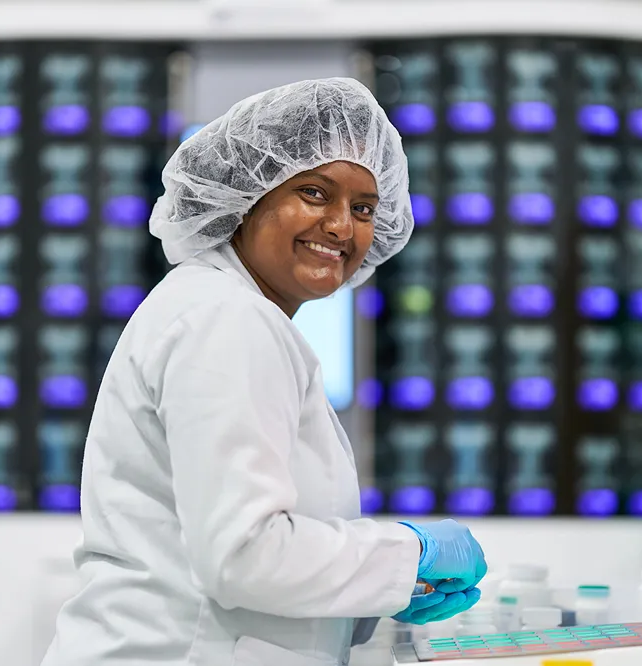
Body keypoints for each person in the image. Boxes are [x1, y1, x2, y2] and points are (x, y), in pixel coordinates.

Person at [42, 78, 487, 666]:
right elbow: (244, 557)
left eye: (363, 208)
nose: (340, 226)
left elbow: (234, 549)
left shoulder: (228, 314)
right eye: (314, 192)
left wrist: (388, 586)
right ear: (244, 195)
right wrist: (409, 551)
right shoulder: (225, 320)